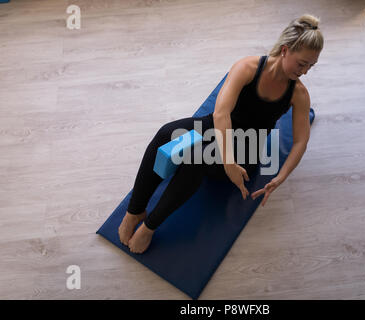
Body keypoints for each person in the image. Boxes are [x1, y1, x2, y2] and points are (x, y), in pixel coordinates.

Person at [119, 14, 324, 253]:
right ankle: (135, 211)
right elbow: (220, 114)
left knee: (196, 159)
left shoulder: (298, 93)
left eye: (311, 66)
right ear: (286, 50)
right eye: (302, 64)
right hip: (219, 126)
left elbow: (301, 141)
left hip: (246, 149)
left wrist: (281, 177)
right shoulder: (247, 67)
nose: (306, 71)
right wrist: (228, 162)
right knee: (167, 133)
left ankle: (149, 227)